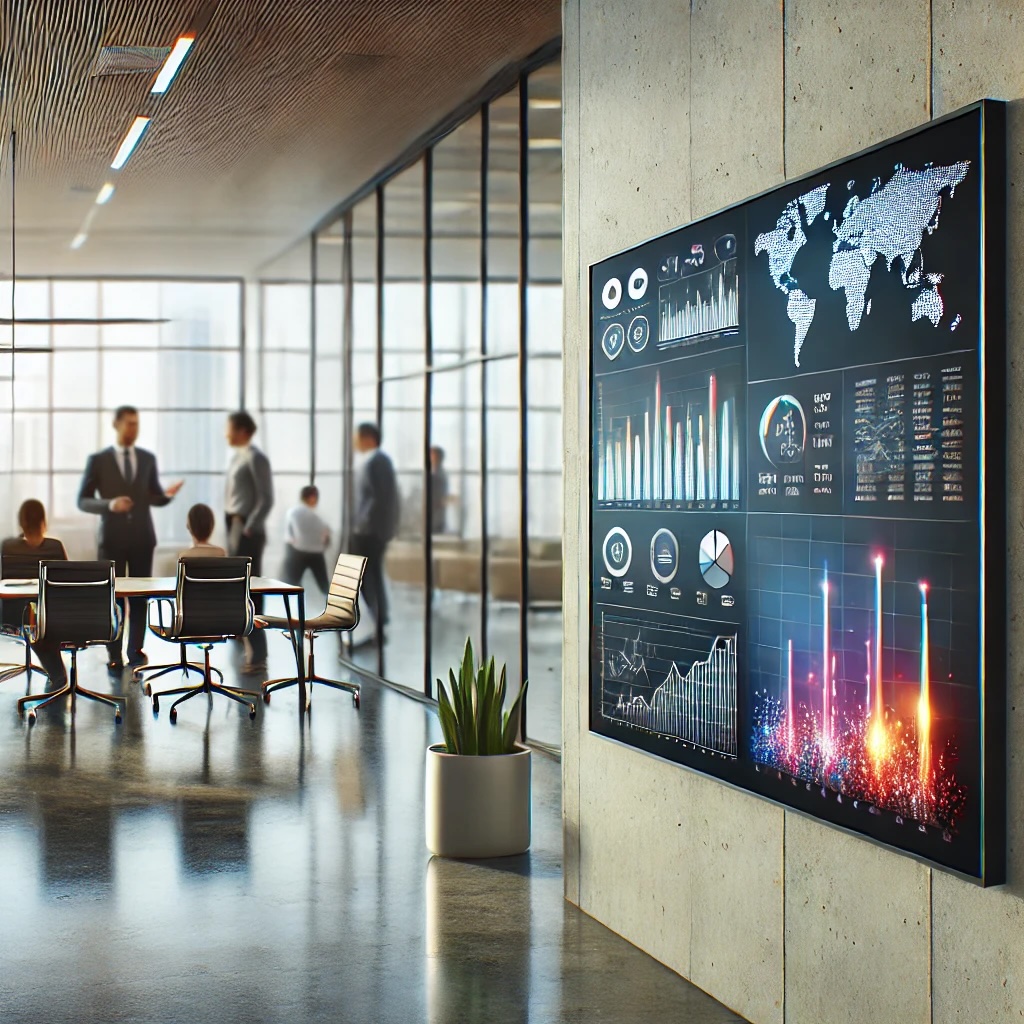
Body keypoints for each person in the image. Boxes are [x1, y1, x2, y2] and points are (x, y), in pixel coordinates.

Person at [78, 405, 183, 672]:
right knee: (113, 597)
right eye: (129, 423)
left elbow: (153, 496)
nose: (134, 429)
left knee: (139, 598)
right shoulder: (98, 460)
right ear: (116, 424)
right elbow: (83, 500)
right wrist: (109, 505)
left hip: (142, 539)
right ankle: (114, 653)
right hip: (112, 539)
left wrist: (167, 496)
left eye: (136, 423)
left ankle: (135, 651)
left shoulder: (147, 459)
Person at [224, 411, 273, 673]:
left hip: (246, 529)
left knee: (252, 591)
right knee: (239, 588)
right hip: (235, 525)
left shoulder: (256, 458)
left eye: (229, 428)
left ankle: (258, 654)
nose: (226, 434)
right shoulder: (237, 457)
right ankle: (244, 638)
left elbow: (266, 498)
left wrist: (249, 527)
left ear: (242, 431)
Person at [1, 500, 69, 688]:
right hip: (48, 613)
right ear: (43, 521)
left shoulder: (8, 546)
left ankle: (57, 673)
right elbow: (65, 583)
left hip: (13, 614)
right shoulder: (55, 546)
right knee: (40, 619)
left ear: (21, 522)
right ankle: (57, 673)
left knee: (34, 618)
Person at [351, 422, 398, 645]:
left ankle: (379, 624)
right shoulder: (371, 461)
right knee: (368, 578)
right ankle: (378, 623)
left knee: (369, 578)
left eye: (357, 437)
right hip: (367, 530)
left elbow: (381, 500)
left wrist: (365, 527)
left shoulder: (379, 462)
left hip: (371, 532)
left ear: (368, 438)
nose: (354, 442)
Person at [283, 485, 331, 592]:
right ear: (312, 497)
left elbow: (289, 537)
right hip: (317, 553)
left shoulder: (292, 512)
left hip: (297, 552)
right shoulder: (318, 516)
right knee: (323, 584)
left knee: (291, 584)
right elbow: (326, 536)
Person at [429, 445, 449, 534]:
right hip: (435, 514)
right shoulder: (436, 473)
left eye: (432, 455)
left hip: (436, 515)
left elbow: (439, 497)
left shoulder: (439, 475)